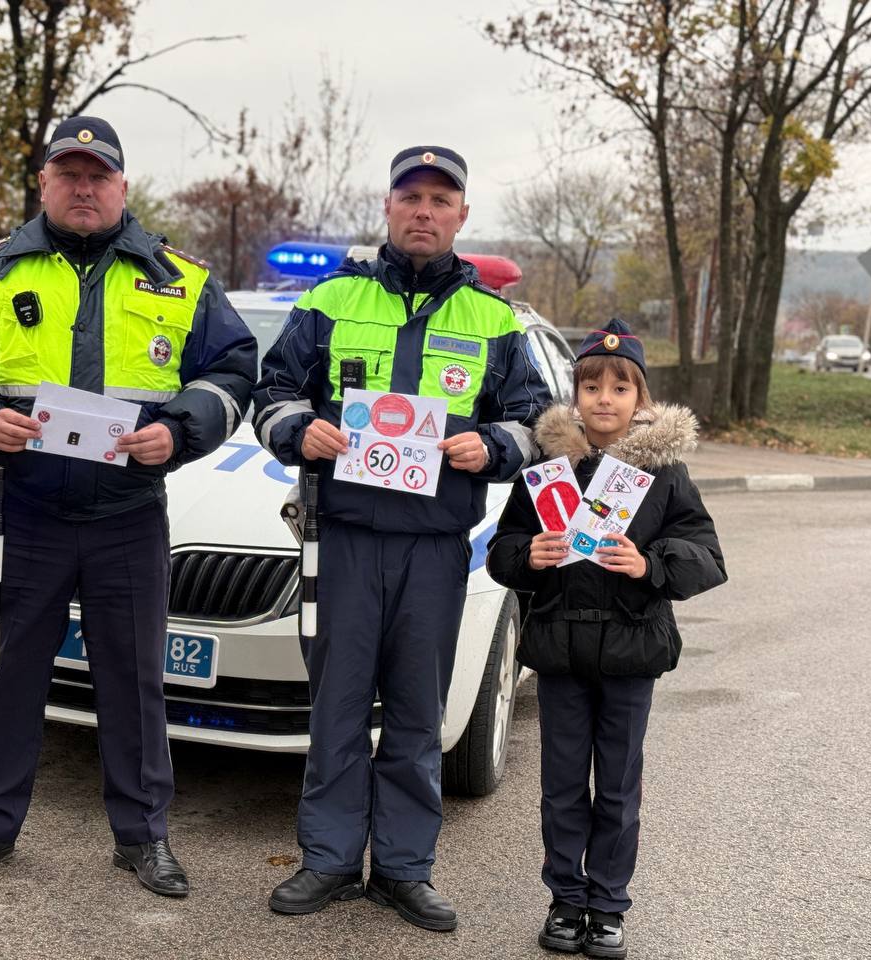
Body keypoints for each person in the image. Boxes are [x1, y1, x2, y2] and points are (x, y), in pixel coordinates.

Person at [0, 116, 257, 896]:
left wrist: (180, 429)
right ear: (45, 183)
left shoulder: (180, 279)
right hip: (25, 510)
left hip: (127, 515)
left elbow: (234, 370)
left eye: (99, 176)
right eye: (69, 174)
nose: (85, 187)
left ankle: (143, 838)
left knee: (134, 683)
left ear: (123, 186)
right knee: (10, 676)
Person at [252, 145, 552, 931]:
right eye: (410, 196)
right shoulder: (331, 298)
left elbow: (535, 421)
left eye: (440, 200)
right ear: (388, 206)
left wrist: (494, 446)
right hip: (345, 537)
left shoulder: (494, 318)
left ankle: (403, 870)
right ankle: (327, 861)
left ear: (461, 215)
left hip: (435, 546)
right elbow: (273, 390)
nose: (424, 211)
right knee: (338, 708)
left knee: (418, 715)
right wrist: (299, 430)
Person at [486, 318, 727, 957]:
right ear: (576, 394)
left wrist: (649, 565)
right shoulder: (548, 468)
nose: (604, 399)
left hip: (630, 653)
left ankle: (609, 905)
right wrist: (529, 554)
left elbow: (706, 555)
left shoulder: (665, 474)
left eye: (620, 388)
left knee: (617, 787)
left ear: (640, 399)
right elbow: (502, 550)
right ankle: (566, 901)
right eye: (591, 386)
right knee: (562, 785)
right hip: (560, 651)